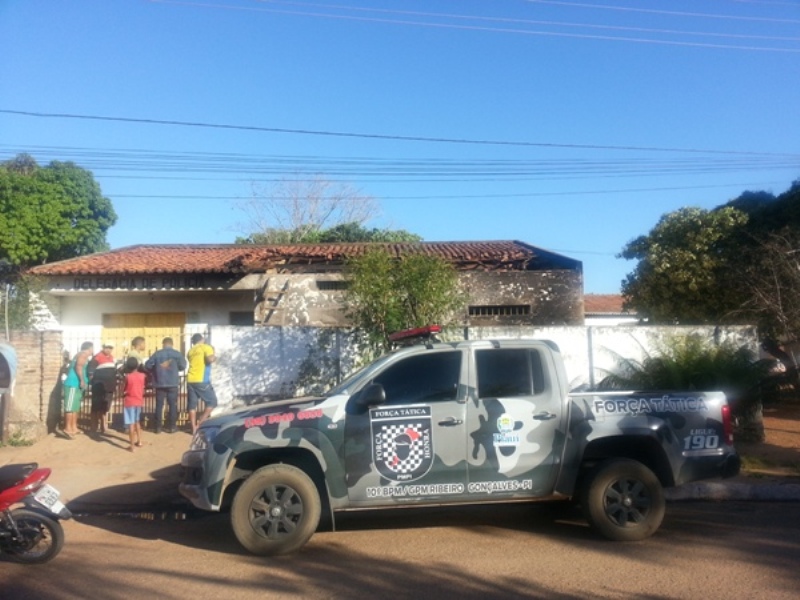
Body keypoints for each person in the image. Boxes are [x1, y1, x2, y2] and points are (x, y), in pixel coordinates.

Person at [145, 337, 187, 433]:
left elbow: (147, 365)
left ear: (163, 344)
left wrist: (155, 370)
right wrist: (175, 369)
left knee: (159, 405)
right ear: (172, 344)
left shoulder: (157, 354)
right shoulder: (177, 354)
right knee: (172, 405)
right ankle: (172, 427)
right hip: (172, 383)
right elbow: (183, 366)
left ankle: (158, 427)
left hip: (159, 383)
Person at [186, 333, 218, 433]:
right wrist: (214, 355)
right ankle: (200, 422)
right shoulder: (206, 347)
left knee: (192, 405)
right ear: (202, 339)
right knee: (212, 402)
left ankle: (193, 428)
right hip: (202, 380)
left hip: (190, 379)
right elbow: (209, 359)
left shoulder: (190, 351)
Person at [62, 341, 93, 439]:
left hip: (76, 385)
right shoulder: (83, 355)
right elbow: (78, 367)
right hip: (73, 384)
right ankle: (67, 428)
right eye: (92, 348)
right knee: (70, 407)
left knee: (75, 407)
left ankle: (74, 427)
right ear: (89, 348)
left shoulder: (80, 355)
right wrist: (82, 380)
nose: (93, 350)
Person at [89, 342, 116, 434]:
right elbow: (91, 373)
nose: (108, 349)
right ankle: (93, 427)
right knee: (96, 407)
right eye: (107, 347)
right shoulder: (97, 357)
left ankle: (104, 427)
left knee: (105, 407)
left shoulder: (112, 357)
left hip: (108, 387)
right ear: (103, 347)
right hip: (98, 387)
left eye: (110, 347)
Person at [123, 356, 145, 452]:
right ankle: (139, 441)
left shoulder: (128, 377)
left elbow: (124, 389)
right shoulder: (142, 376)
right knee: (137, 422)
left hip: (129, 401)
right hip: (138, 400)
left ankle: (132, 446)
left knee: (131, 424)